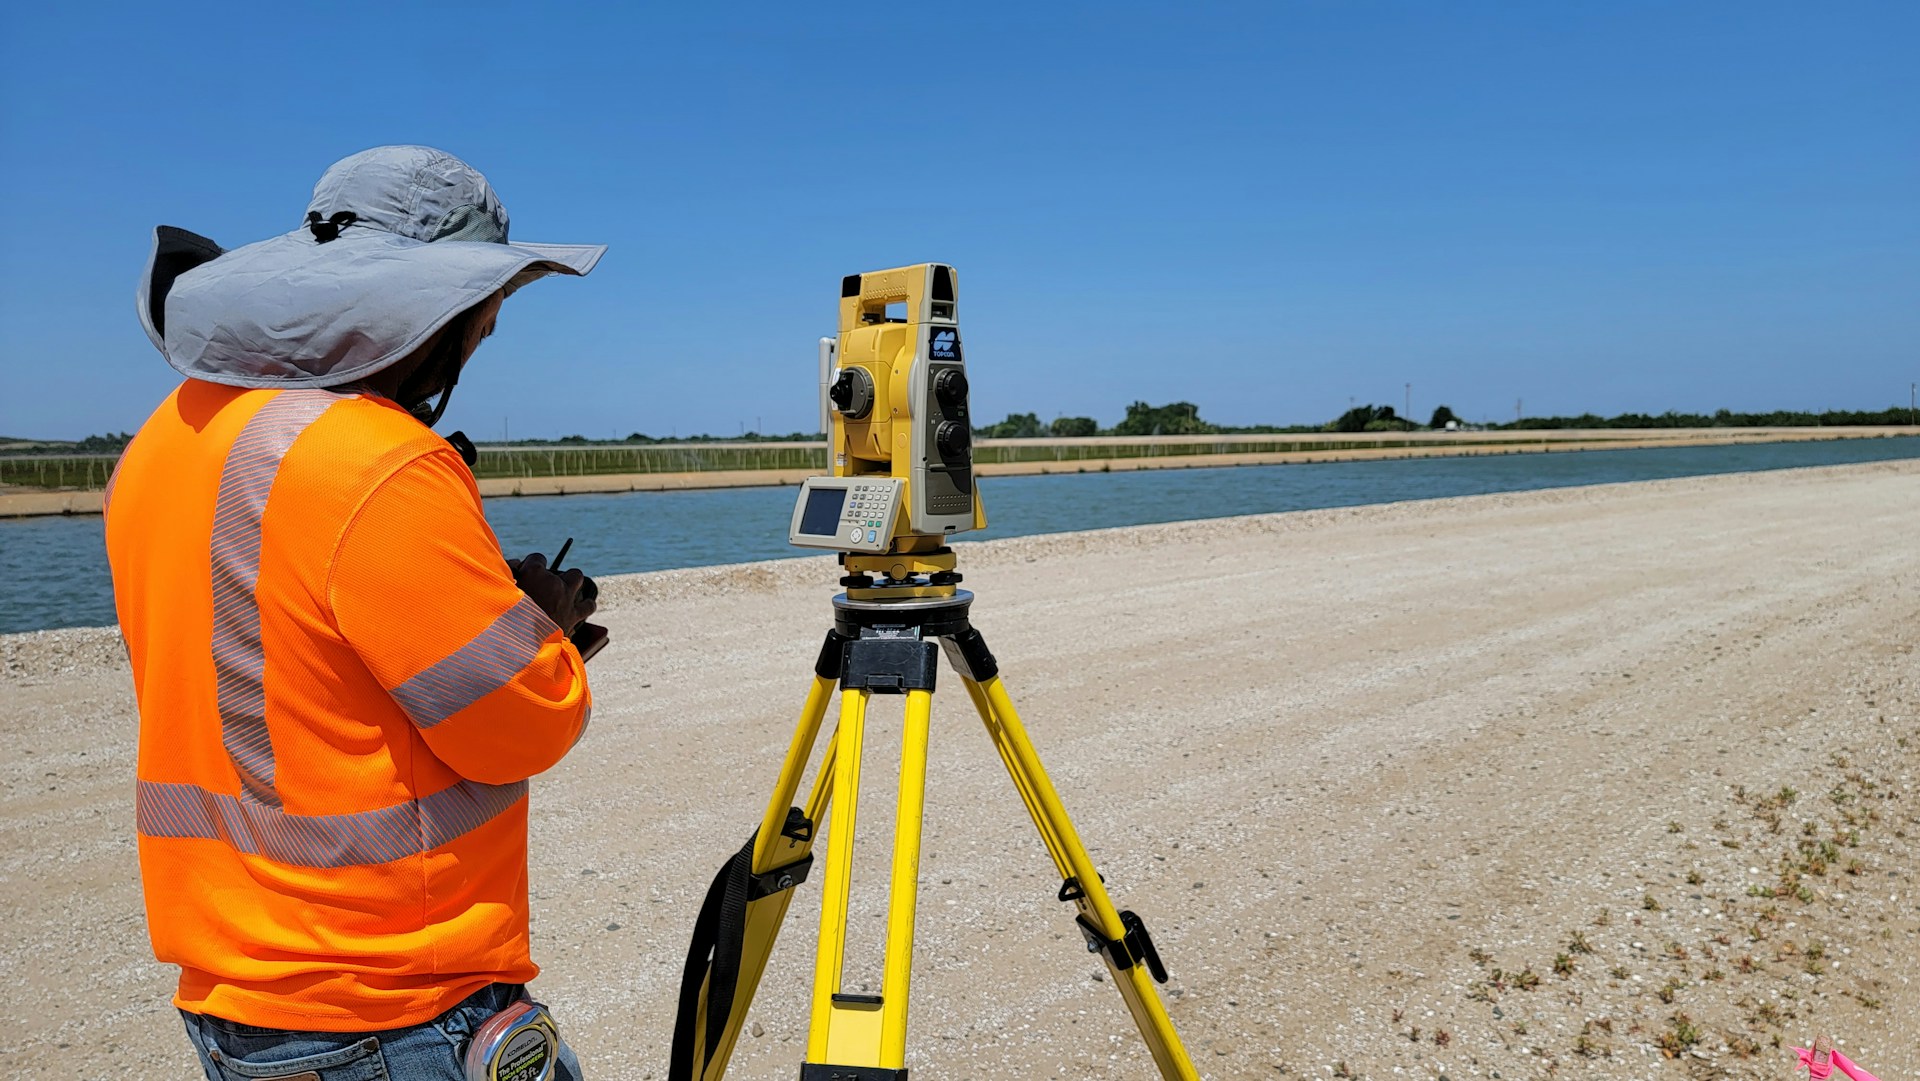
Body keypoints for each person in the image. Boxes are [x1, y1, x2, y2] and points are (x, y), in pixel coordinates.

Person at [107, 145, 607, 1081]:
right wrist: (542, 626)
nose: (491, 325)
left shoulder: (164, 441)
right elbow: (518, 726)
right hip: (392, 1008)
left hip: (237, 997)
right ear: (431, 308)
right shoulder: (381, 463)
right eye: (482, 304)